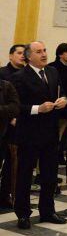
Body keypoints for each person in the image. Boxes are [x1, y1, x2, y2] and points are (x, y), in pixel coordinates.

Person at [11, 42, 67, 229]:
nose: (44, 54)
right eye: (39, 51)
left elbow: (62, 91)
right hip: (29, 134)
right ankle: (23, 214)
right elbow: (16, 107)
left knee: (50, 174)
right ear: (29, 57)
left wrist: (64, 100)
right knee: (25, 175)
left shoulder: (52, 72)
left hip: (50, 133)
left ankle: (47, 210)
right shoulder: (19, 77)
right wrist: (38, 109)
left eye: (44, 50)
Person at [0, 44, 25, 208]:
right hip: (4, 123)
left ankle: (5, 194)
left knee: (11, 162)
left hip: (19, 123)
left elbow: (19, 102)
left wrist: (15, 115)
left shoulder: (27, 74)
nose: (22, 56)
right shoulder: (2, 74)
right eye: (19, 53)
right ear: (10, 56)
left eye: (25, 53)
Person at [49, 43, 67, 164]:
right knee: (51, 139)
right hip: (54, 109)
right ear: (60, 53)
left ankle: (58, 158)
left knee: (63, 137)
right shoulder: (52, 67)